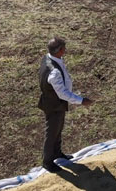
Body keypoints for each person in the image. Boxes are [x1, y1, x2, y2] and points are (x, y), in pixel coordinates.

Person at [38, 37, 93, 172]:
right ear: (60, 50)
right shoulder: (54, 72)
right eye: (64, 48)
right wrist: (81, 100)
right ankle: (47, 161)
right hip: (54, 104)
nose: (65, 50)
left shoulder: (48, 58)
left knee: (58, 128)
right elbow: (62, 93)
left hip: (53, 101)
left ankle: (57, 153)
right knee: (52, 132)